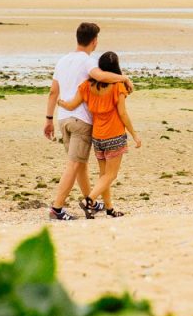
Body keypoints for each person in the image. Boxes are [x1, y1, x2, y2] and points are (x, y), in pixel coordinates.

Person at [45, 23, 133, 220]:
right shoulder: (87, 61)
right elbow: (100, 76)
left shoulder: (62, 61)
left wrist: (49, 118)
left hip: (63, 119)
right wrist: (124, 77)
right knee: (75, 164)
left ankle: (90, 201)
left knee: (80, 165)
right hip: (80, 120)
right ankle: (57, 208)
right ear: (94, 41)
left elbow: (53, 92)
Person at [57, 51, 141, 218]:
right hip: (114, 135)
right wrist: (134, 134)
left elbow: (72, 105)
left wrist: (61, 103)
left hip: (98, 136)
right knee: (111, 175)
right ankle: (89, 200)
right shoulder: (118, 86)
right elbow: (123, 114)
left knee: (104, 176)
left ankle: (109, 209)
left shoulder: (87, 86)